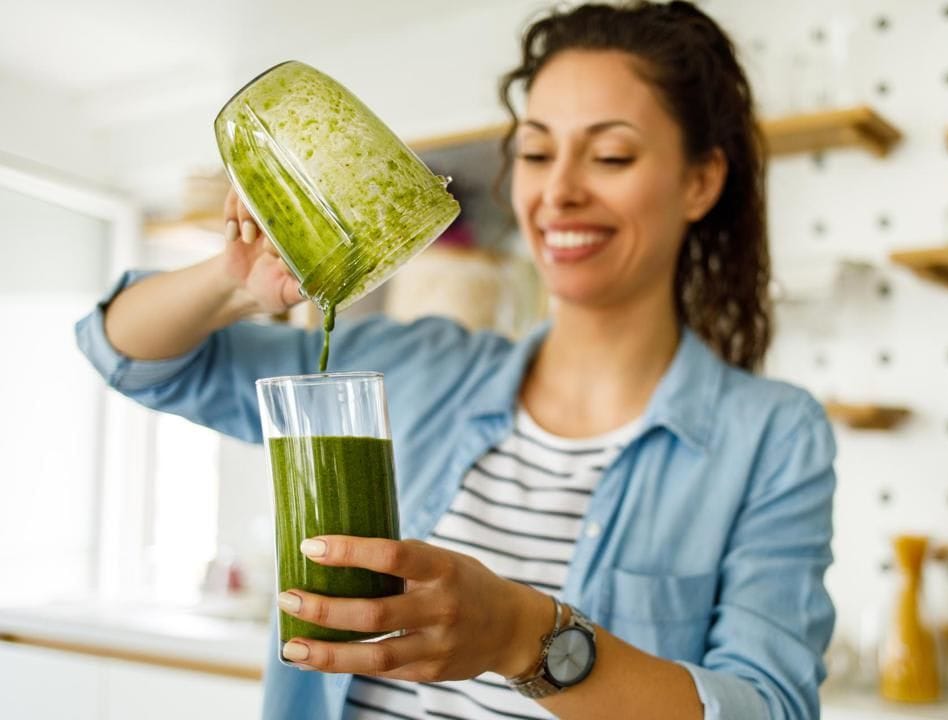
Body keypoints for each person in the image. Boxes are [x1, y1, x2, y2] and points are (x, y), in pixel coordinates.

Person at [76, 1, 836, 718]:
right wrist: (232, 282)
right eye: (536, 151)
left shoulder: (771, 435)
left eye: (610, 154)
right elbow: (131, 354)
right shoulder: (412, 367)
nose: (558, 190)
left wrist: (523, 637)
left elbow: (768, 708)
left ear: (700, 181)